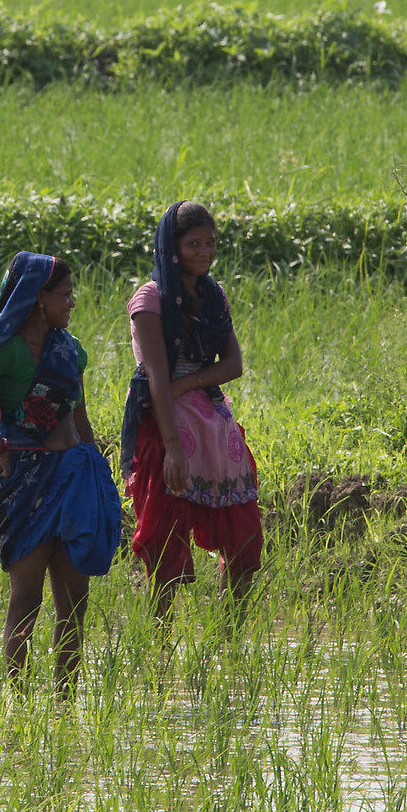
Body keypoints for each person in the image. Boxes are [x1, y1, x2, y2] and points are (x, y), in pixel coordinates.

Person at [0, 252, 122, 688]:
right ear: (39, 299)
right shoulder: (7, 352)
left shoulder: (68, 350)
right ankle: (19, 706)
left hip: (74, 479)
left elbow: (79, 416)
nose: (72, 303)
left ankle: (63, 704)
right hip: (25, 482)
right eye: (65, 295)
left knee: (74, 604)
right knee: (25, 602)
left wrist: (98, 471)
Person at [121, 201, 261, 620]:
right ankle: (159, 655)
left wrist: (186, 384)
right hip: (166, 427)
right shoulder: (151, 300)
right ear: (172, 246)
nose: (204, 252)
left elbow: (232, 365)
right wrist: (173, 449)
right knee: (165, 548)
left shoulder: (212, 295)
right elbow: (156, 375)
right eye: (193, 243)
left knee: (244, 540)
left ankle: (225, 645)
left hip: (213, 424)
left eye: (210, 243)